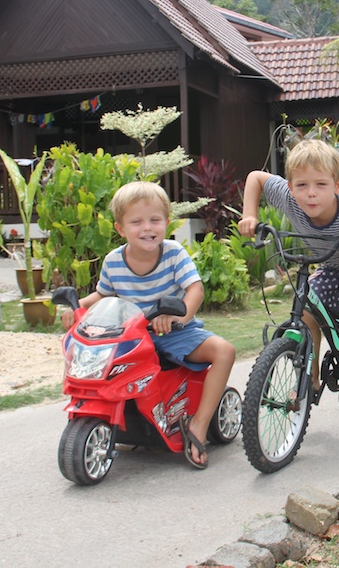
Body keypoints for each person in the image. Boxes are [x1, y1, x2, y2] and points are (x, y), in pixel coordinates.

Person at [60, 181, 235, 470]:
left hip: (173, 332)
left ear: (167, 222)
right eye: (136, 222)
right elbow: (103, 295)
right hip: (128, 338)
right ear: (120, 228)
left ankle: (199, 424)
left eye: (155, 220)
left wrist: (180, 317)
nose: (147, 228)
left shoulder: (174, 253)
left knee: (224, 351)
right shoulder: (114, 261)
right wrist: (78, 306)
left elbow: (195, 290)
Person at [237, 138, 339, 390]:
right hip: (334, 266)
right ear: (290, 187)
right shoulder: (289, 199)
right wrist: (249, 214)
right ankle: (308, 378)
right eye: (301, 185)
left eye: (320, 184)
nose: (311, 192)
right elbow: (255, 178)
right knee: (305, 310)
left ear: (337, 185)